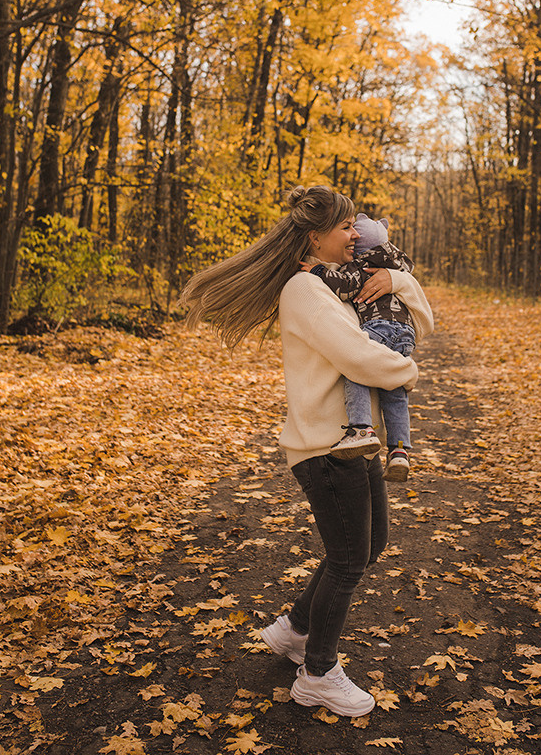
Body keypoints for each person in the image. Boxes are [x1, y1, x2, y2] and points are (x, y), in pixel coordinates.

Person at [179, 185, 433, 718]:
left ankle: (295, 630)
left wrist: (401, 279)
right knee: (347, 560)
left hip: (352, 441)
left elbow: (420, 322)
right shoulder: (305, 290)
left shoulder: (340, 284)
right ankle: (318, 673)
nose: (356, 235)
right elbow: (359, 355)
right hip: (324, 446)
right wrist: (406, 373)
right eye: (345, 228)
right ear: (315, 237)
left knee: (369, 545)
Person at [304, 212, 417, 481]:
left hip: (379, 327)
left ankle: (361, 428)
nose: (352, 237)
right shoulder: (396, 264)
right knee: (395, 391)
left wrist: (318, 271)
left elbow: (343, 288)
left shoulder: (361, 266)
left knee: (356, 370)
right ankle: (399, 450)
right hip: (405, 332)